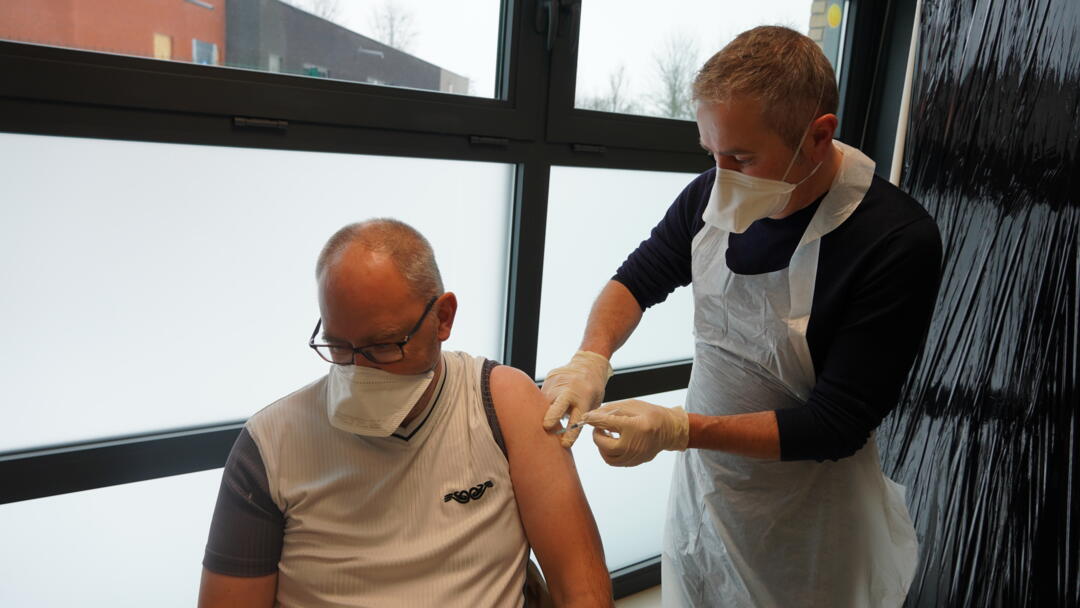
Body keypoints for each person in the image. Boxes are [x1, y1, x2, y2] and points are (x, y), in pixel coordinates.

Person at [541, 26, 942, 607]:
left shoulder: (893, 241)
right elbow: (638, 278)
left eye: (743, 158)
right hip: (707, 489)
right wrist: (590, 357)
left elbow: (836, 424)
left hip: (807, 516)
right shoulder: (711, 195)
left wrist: (680, 429)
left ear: (818, 136)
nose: (720, 175)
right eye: (712, 153)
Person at [199, 219, 613, 608]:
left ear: (442, 318)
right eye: (338, 347)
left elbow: (579, 585)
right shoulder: (272, 443)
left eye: (383, 346)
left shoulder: (502, 403)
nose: (359, 374)